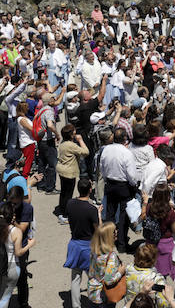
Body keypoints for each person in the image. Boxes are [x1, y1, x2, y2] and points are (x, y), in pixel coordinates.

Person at [0, 202, 36, 308]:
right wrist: (29, 245)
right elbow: (18, 252)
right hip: (11, 267)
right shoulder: (16, 231)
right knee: (5, 296)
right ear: (12, 217)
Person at [100, 128, 138, 253]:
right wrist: (133, 185)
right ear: (124, 139)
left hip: (110, 184)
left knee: (110, 213)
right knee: (123, 216)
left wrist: (107, 180)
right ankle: (122, 244)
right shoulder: (127, 153)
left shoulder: (106, 150)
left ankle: (108, 241)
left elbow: (102, 168)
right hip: (123, 186)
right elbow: (131, 175)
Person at [65, 178, 100, 308]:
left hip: (74, 244)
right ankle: (95, 303)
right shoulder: (92, 209)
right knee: (93, 278)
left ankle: (76, 305)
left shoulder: (70, 203)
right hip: (88, 247)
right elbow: (98, 230)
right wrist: (99, 214)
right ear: (90, 190)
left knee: (75, 278)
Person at [143, 183, 175, 278]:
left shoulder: (149, 207)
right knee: (162, 275)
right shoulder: (170, 212)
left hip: (151, 242)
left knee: (151, 272)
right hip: (165, 244)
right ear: (168, 196)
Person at [56, 124, 89, 224]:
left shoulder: (63, 143)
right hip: (69, 172)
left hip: (62, 170)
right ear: (71, 135)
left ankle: (62, 212)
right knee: (68, 194)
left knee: (63, 192)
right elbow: (86, 152)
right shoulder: (71, 145)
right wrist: (80, 140)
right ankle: (65, 215)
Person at [125, 243, 175, 308]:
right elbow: (163, 303)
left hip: (130, 304)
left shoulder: (128, 269)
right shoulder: (156, 278)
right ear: (154, 260)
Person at [87, 222, 126, 308]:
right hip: (104, 296)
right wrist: (120, 271)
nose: (116, 231)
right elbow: (109, 281)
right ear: (109, 237)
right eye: (114, 231)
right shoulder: (111, 257)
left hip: (92, 292)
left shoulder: (95, 250)